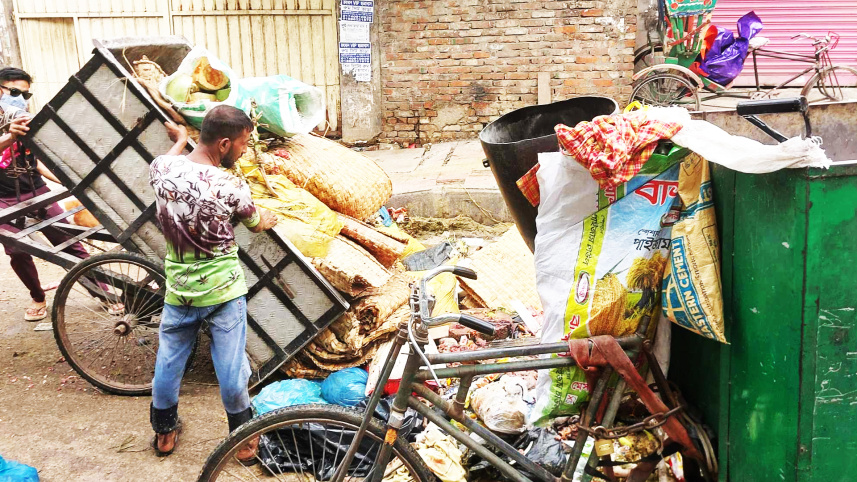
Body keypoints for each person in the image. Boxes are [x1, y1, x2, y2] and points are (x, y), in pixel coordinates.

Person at [149, 105, 277, 459]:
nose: (245, 150)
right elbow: (256, 224)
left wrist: (180, 139)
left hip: (179, 288)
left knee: (169, 361)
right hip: (222, 291)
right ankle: (243, 441)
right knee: (231, 368)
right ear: (224, 144)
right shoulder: (230, 185)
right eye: (244, 143)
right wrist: (271, 217)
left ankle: (164, 433)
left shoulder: (161, 169)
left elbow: (169, 158)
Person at [0, 67, 97, 321]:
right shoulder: (10, 125)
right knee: (18, 251)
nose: (20, 99)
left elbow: (37, 162)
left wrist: (71, 183)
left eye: (25, 94)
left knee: (69, 242)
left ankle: (103, 293)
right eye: (14, 92)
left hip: (37, 191)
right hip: (3, 199)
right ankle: (37, 296)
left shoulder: (25, 119)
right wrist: (10, 137)